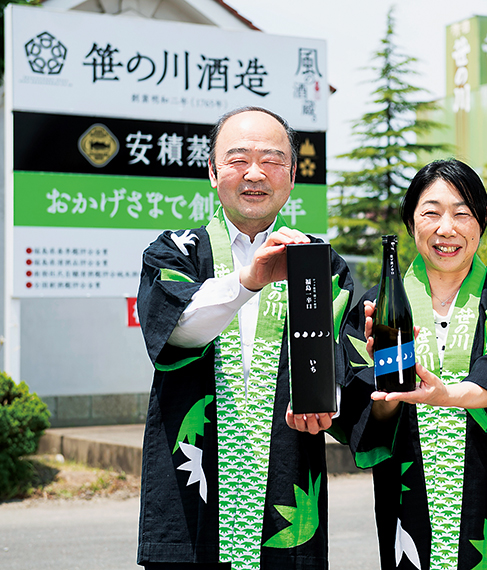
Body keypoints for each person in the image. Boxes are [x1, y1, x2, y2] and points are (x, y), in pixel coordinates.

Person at [135, 107, 374, 570]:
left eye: (271, 159)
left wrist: (340, 394)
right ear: (211, 171)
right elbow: (174, 331)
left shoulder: (320, 264)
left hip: (287, 493)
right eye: (238, 158)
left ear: (292, 174)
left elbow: (342, 371)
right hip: (192, 496)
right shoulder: (175, 250)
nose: (254, 173)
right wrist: (247, 282)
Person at [341, 159, 487, 570]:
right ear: (410, 222)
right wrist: (388, 392)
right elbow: (367, 409)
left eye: (462, 213)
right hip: (410, 487)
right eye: (431, 212)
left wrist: (443, 396)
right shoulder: (376, 307)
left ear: (483, 221)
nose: (447, 228)